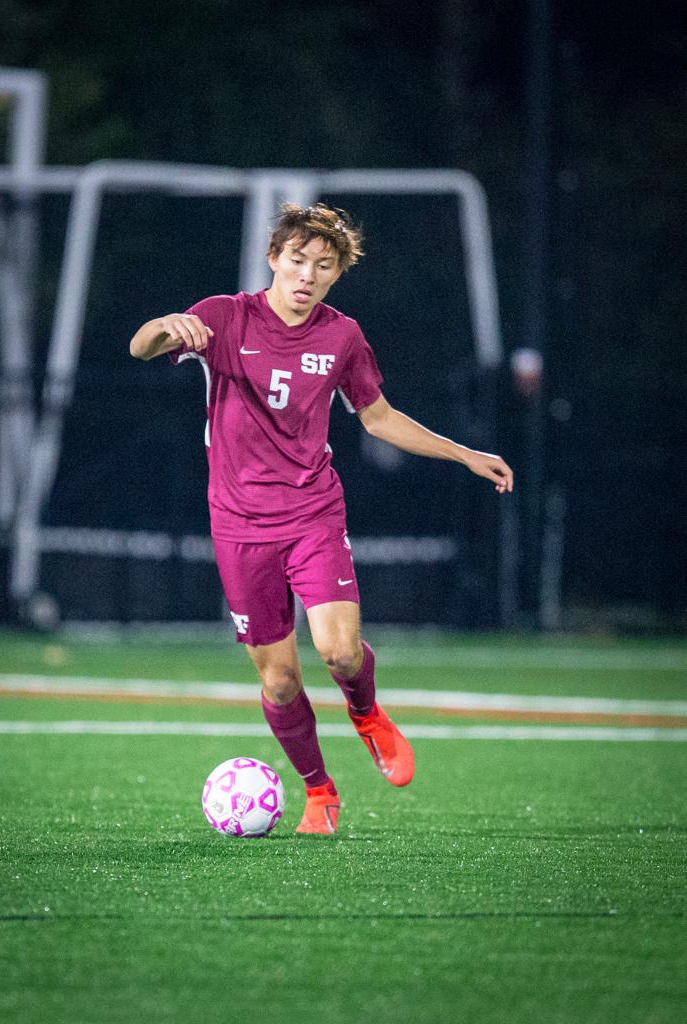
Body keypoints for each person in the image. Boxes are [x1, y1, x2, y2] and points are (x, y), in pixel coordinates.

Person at [129, 203, 513, 835]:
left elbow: (379, 417)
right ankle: (318, 791)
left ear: (336, 276)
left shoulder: (341, 336)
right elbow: (142, 347)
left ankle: (366, 715)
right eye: (298, 261)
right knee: (280, 682)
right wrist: (165, 325)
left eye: (323, 266)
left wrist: (465, 454)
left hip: (311, 511)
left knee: (337, 651)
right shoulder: (224, 317)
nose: (307, 275)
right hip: (238, 525)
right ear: (275, 260)